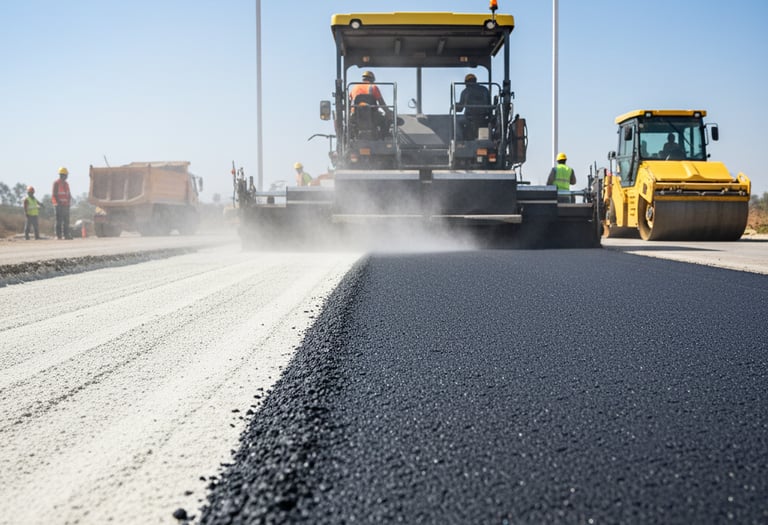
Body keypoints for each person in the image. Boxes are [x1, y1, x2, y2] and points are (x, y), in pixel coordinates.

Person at [348, 71, 390, 138]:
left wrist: (349, 116)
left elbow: (349, 102)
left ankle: (352, 137)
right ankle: (382, 137)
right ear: (372, 79)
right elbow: (381, 102)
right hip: (372, 117)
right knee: (385, 120)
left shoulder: (354, 87)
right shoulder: (373, 87)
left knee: (349, 123)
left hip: (356, 116)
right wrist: (388, 112)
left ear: (363, 79)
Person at [456, 73, 491, 139]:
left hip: (469, 118)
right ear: (475, 80)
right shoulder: (485, 89)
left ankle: (459, 139)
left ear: (466, 82)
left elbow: (460, 109)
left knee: (457, 121)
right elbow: (489, 106)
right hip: (484, 118)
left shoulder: (465, 91)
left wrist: (455, 106)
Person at [52, 166, 73, 239]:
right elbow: (54, 194)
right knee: (59, 221)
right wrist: (59, 203)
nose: (67, 176)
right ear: (62, 175)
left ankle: (66, 235)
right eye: (66, 175)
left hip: (66, 205)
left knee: (66, 221)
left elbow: (68, 193)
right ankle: (58, 235)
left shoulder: (66, 184)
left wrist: (69, 200)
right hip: (58, 205)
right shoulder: (56, 183)